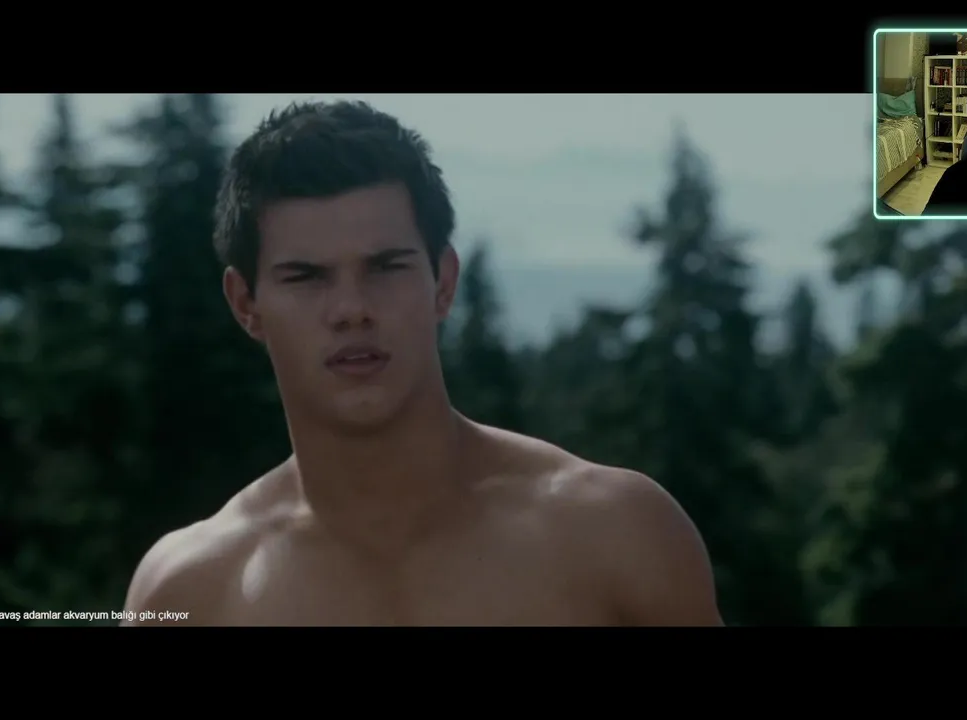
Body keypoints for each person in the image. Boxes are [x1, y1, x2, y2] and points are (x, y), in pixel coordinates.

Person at [120, 100, 723, 627]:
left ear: (443, 281)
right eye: (306, 277)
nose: (352, 310)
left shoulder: (613, 533)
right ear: (246, 304)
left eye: (386, 267)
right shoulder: (190, 592)